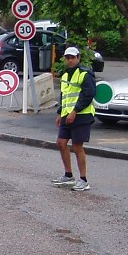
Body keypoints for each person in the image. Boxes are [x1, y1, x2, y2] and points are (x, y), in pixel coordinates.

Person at [52, 46, 96, 191]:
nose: (70, 60)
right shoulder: (65, 75)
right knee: (61, 143)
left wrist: (75, 111)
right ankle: (68, 175)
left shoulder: (85, 73)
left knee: (77, 147)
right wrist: (60, 112)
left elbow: (88, 94)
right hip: (67, 114)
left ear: (78, 58)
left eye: (73, 57)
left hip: (82, 115)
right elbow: (64, 95)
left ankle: (83, 180)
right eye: (67, 58)